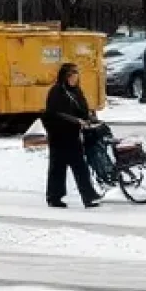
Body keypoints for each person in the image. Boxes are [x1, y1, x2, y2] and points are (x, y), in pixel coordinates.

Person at [43, 61, 100, 208]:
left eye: (76, 75)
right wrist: (77, 121)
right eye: (71, 76)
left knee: (79, 166)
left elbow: (83, 109)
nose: (74, 79)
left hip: (72, 135)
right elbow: (55, 113)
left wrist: (90, 119)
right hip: (59, 136)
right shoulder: (56, 92)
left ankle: (88, 196)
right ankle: (55, 197)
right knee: (59, 168)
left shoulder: (77, 92)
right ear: (65, 77)